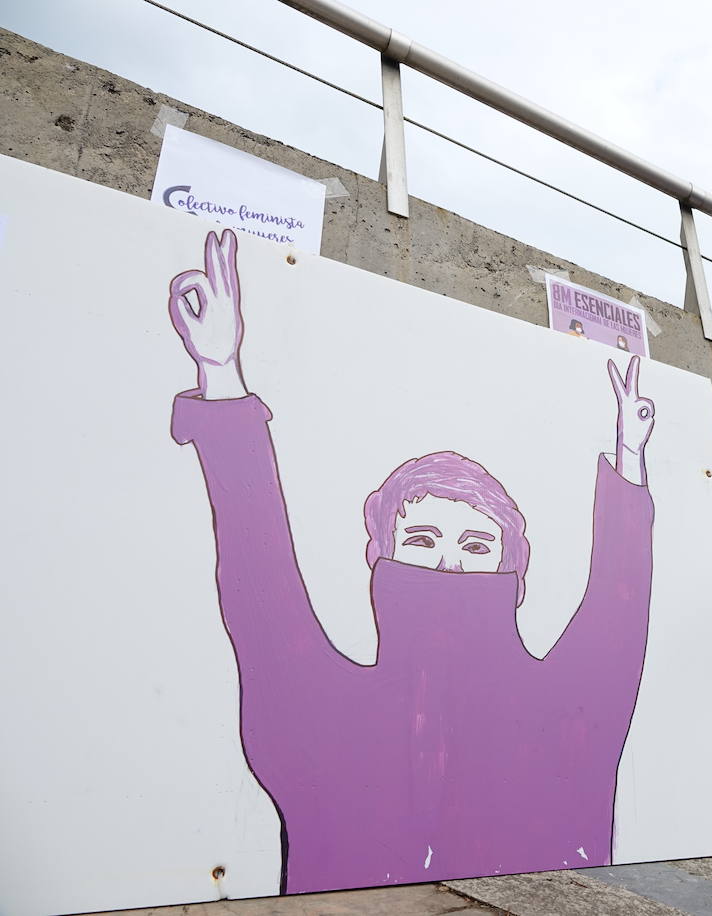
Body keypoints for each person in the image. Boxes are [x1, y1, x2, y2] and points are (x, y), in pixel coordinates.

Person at [167, 229, 657, 890]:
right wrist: (221, 379)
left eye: (477, 546)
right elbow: (260, 584)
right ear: (379, 555)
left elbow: (617, 612)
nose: (450, 563)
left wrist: (630, 458)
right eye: (423, 540)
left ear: (516, 571)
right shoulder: (321, 710)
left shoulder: (566, 708)